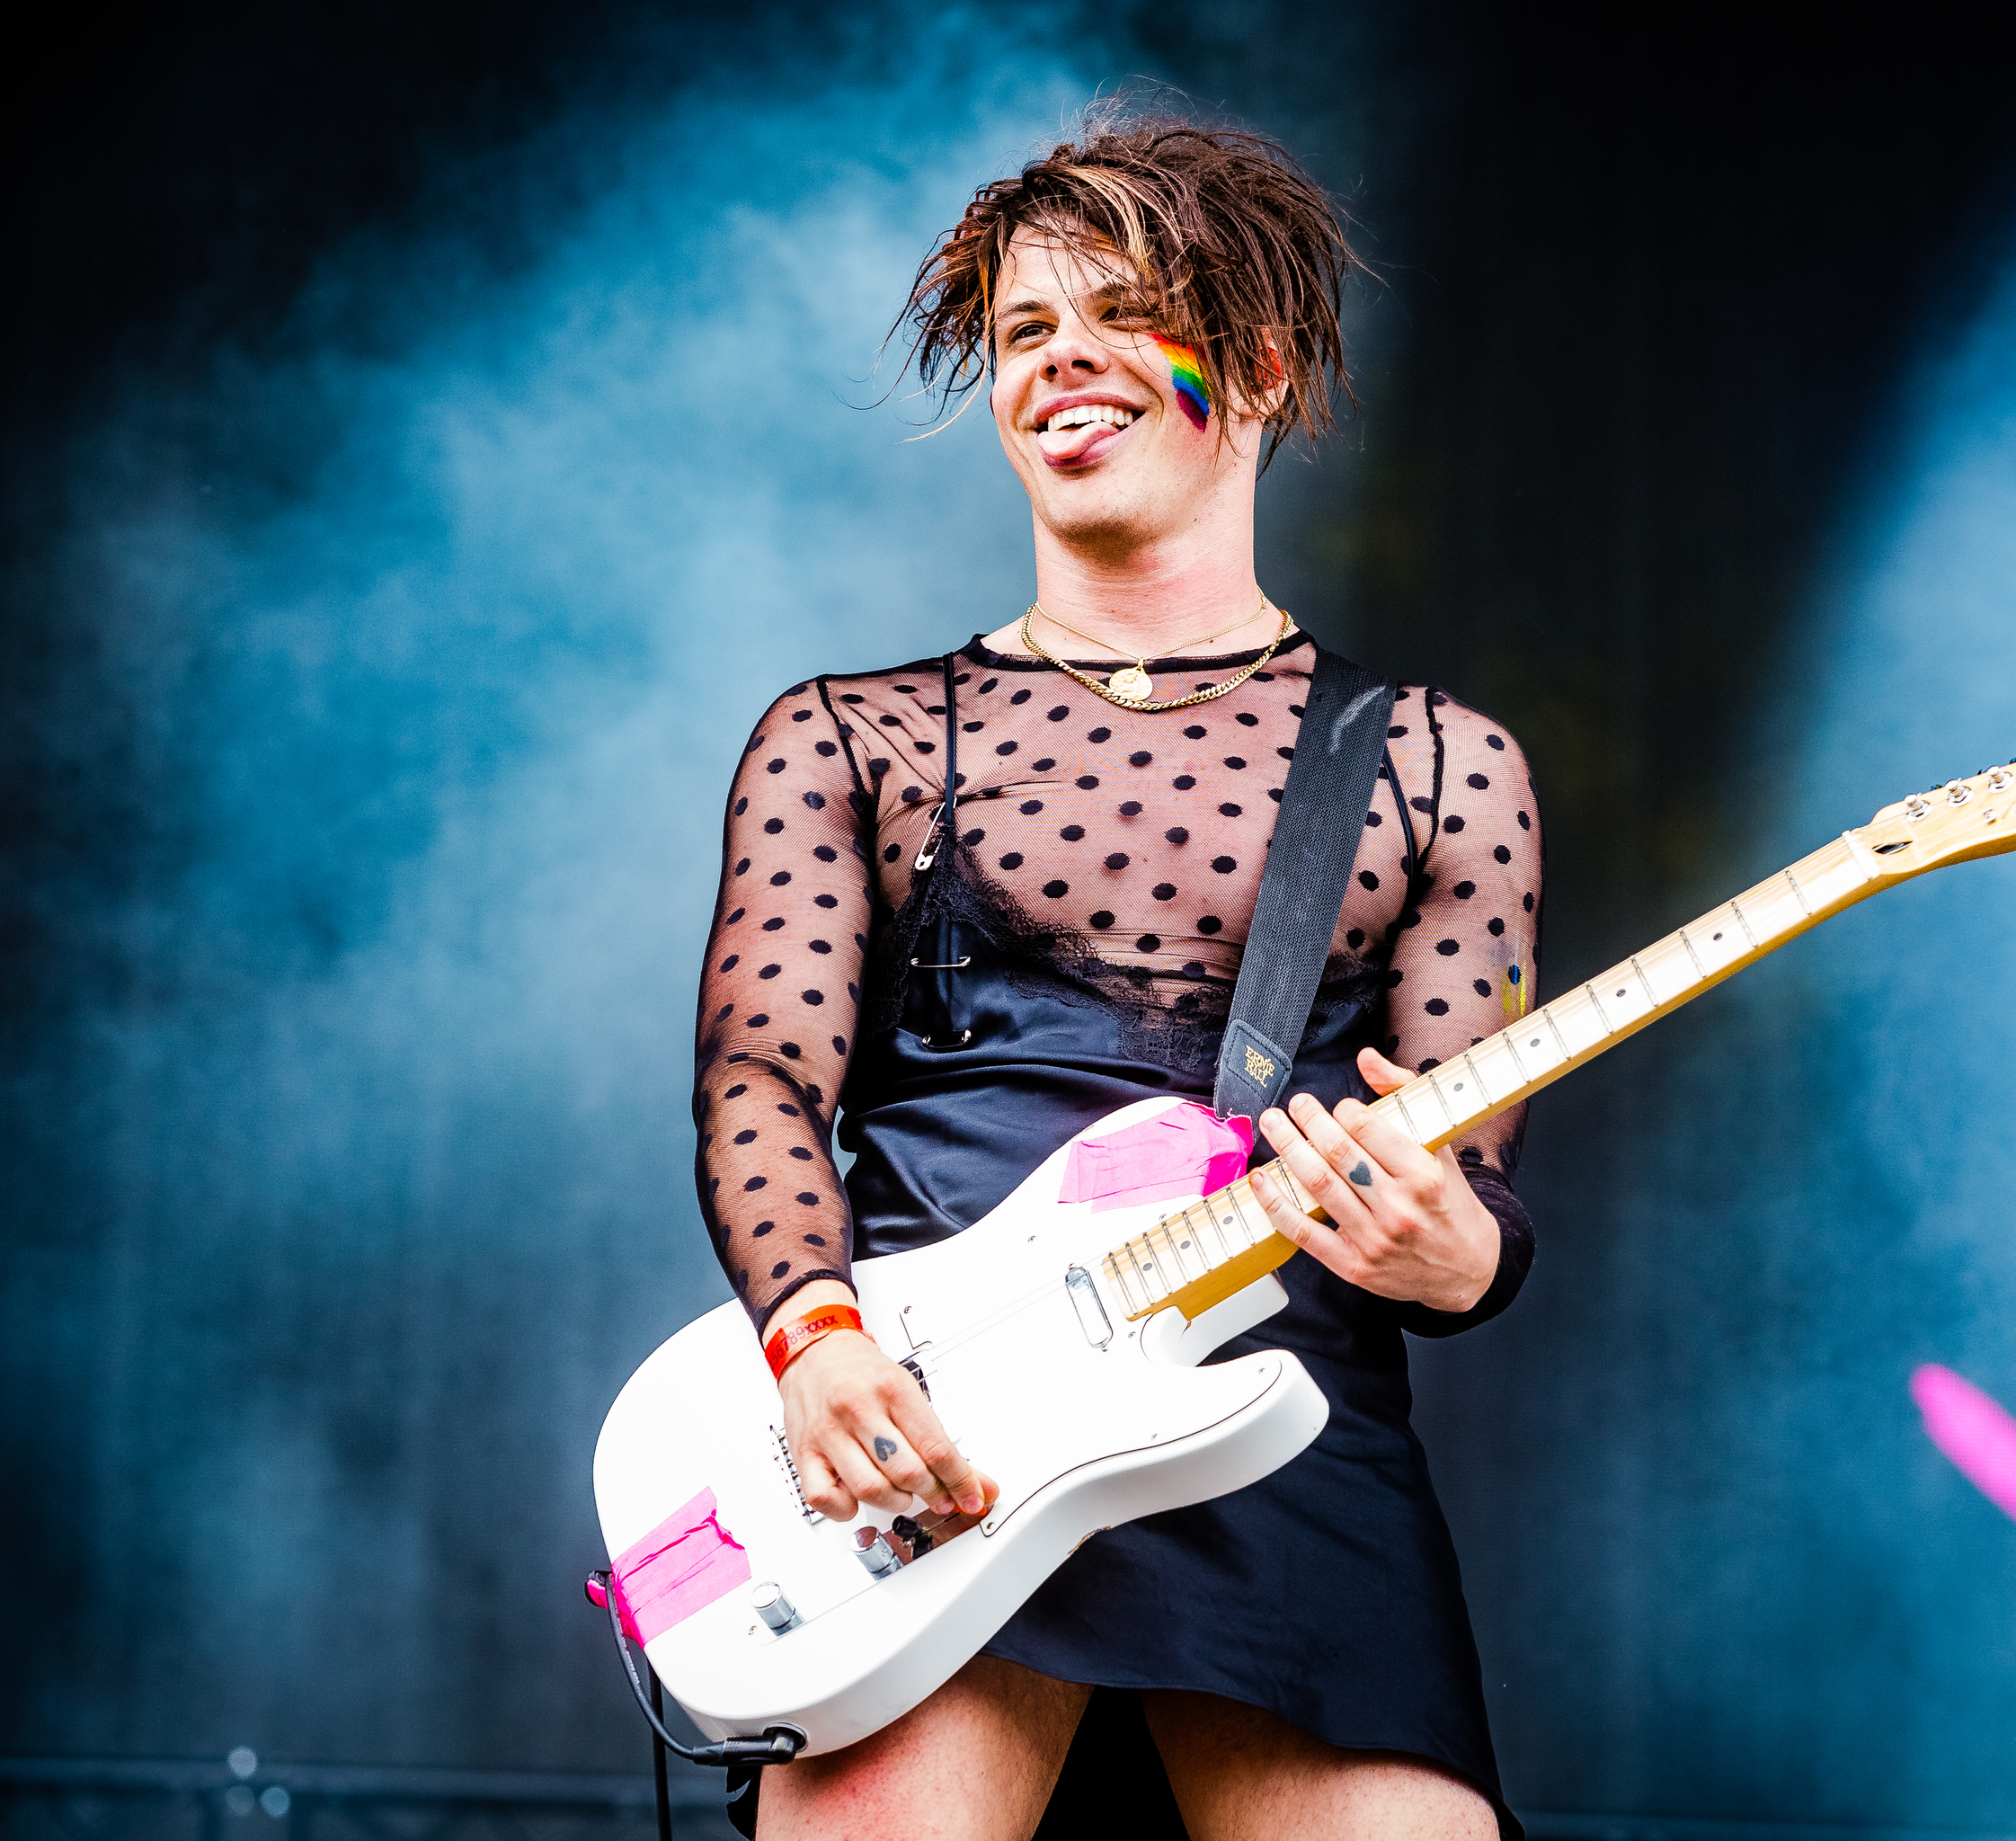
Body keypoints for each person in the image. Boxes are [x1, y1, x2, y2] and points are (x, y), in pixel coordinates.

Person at [693, 107, 1541, 1841]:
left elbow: (1466, 1196)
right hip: (939, 1422)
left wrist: (1461, 1258)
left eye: (1124, 310)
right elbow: (763, 1077)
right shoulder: (845, 737)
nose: (1061, 363)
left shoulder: (1443, 766)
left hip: (1281, 1425)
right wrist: (814, 1336)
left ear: (1263, 364)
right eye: (1021, 333)